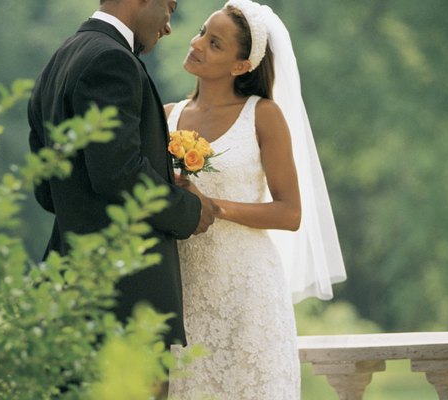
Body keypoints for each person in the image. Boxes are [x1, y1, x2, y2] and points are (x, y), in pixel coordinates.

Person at [165, 0, 347, 398]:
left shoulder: (263, 115)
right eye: (201, 32)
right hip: (187, 292)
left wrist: (216, 207)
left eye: (214, 44)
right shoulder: (167, 117)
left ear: (240, 66)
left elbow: (290, 212)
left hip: (249, 292)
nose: (196, 44)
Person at [27, 0, 220, 351]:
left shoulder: (59, 60)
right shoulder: (112, 60)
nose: (168, 27)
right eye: (170, 7)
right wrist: (189, 210)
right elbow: (118, 173)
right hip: (126, 297)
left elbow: (46, 189)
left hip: (69, 290)